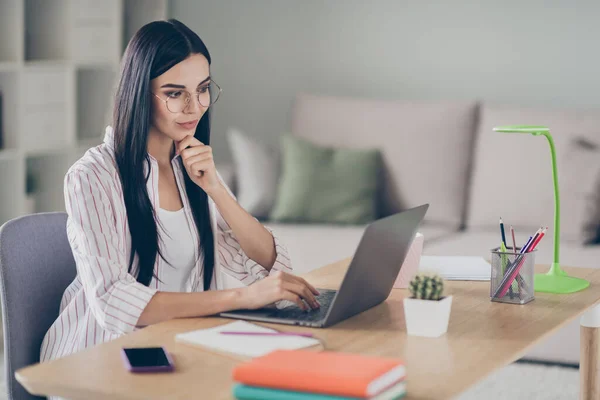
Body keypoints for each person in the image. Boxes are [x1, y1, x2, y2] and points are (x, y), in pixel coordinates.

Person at [40, 19, 320, 364]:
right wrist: (239, 298)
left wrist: (215, 188)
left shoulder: (190, 165)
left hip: (169, 349)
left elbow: (268, 265)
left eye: (203, 89)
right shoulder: (92, 176)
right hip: (93, 359)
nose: (195, 106)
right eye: (175, 94)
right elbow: (114, 302)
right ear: (140, 93)